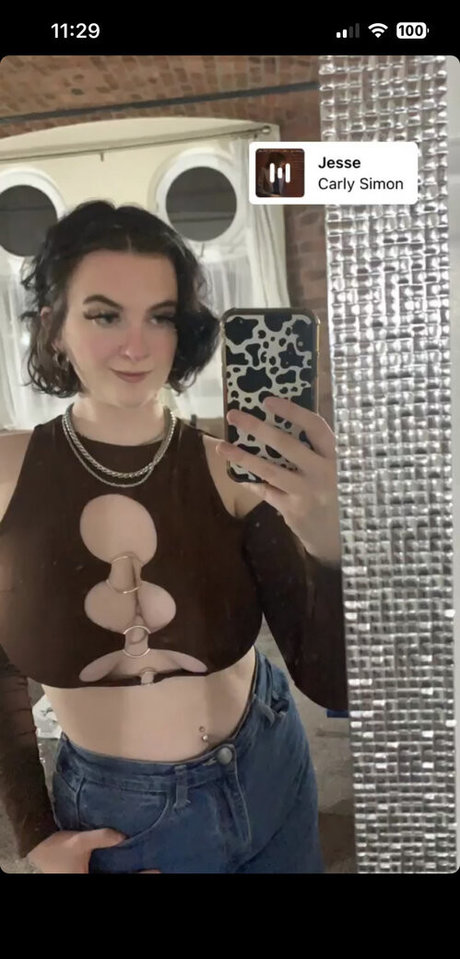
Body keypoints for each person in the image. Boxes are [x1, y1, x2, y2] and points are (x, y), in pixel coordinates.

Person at [0, 200, 347, 875]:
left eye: (160, 316)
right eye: (105, 315)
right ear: (54, 328)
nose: (137, 345)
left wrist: (329, 546)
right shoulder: (8, 477)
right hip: (124, 822)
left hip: (271, 764)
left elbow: (329, 680)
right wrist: (34, 832)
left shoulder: (234, 473)